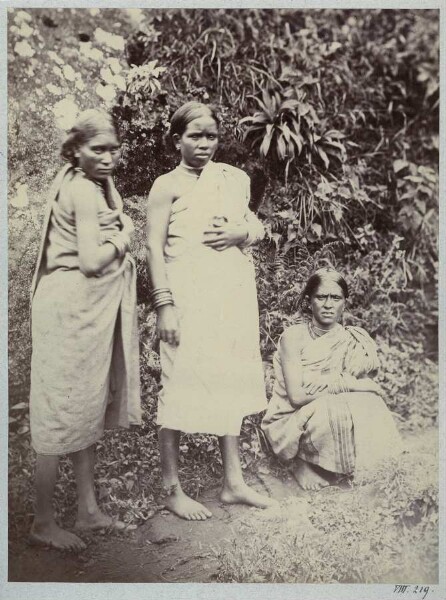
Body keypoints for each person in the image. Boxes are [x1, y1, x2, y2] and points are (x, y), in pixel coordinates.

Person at [146, 101, 277, 520]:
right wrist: (164, 306)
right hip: (186, 300)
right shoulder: (166, 185)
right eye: (195, 136)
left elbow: (254, 225)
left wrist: (246, 230)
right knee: (178, 380)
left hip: (230, 298)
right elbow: (152, 248)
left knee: (227, 383)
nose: (204, 144)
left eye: (211, 136)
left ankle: (233, 483)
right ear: (176, 140)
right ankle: (171, 487)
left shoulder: (233, 178)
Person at [29, 109, 141, 550]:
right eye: (98, 150)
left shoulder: (79, 180)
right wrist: (125, 237)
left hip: (76, 311)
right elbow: (94, 261)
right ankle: (42, 521)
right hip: (71, 311)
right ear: (76, 150)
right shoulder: (82, 191)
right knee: (59, 414)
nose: (109, 157)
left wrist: (106, 177)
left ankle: (88, 510)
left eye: (114, 149)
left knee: (83, 407)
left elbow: (110, 205)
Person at [261, 268, 403, 491]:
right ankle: (299, 464)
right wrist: (342, 383)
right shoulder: (294, 337)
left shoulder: (350, 339)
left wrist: (339, 383)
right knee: (333, 408)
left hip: (327, 403)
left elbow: (367, 389)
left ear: (344, 304)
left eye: (335, 298)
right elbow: (297, 396)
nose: (328, 305)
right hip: (293, 417)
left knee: (370, 405)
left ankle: (363, 467)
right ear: (309, 302)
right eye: (321, 297)